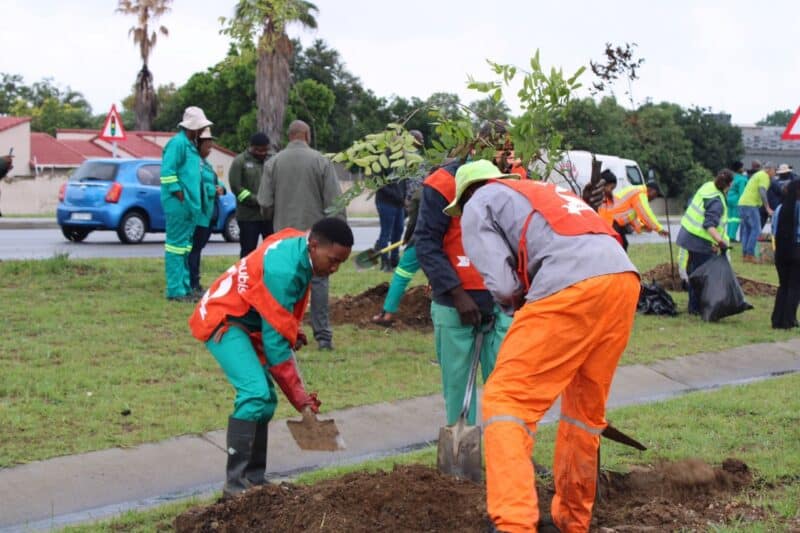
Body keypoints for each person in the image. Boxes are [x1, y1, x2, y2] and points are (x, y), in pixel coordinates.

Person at [445, 160, 639, 533]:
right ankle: (572, 520)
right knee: (583, 412)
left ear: (466, 194)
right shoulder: (541, 191)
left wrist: (514, 306)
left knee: (507, 400)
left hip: (569, 286)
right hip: (622, 281)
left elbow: (503, 286)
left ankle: (514, 524)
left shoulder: (478, 202)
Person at [188, 217, 353, 498]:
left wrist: (290, 329)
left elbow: (277, 306)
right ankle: (235, 485)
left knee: (266, 402)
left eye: (341, 263)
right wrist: (301, 401)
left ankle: (254, 479)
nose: (335, 268)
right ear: (314, 246)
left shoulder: (299, 246)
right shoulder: (284, 270)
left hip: (248, 317)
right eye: (333, 260)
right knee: (254, 394)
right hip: (224, 318)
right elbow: (276, 350)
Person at [414, 154, 512, 427]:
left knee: (507, 384)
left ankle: (506, 445)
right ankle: (462, 444)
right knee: (458, 388)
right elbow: (426, 242)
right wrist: (457, 293)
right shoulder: (442, 185)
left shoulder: (511, 181)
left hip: (501, 303)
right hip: (455, 305)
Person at [258, 120, 344, 350]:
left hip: (284, 236)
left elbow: (264, 203)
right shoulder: (321, 161)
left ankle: (284, 333)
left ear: (290, 136)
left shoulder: (273, 163)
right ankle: (323, 337)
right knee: (319, 282)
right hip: (316, 237)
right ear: (307, 135)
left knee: (284, 285)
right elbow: (335, 203)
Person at [160, 106, 212, 301]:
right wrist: (179, 194)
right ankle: (176, 291)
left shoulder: (190, 145)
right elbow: (167, 172)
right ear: (192, 127)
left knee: (184, 248)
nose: (202, 130)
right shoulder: (178, 143)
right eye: (200, 127)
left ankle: (185, 288)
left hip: (190, 206)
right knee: (176, 248)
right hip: (179, 204)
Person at [676, 169, 734, 314]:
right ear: (729, 185)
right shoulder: (717, 202)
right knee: (701, 275)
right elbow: (709, 225)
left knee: (695, 272)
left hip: (688, 235)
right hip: (699, 241)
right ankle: (697, 307)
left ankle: (694, 306)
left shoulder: (708, 186)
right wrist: (720, 242)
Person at [188, 127, 226, 295]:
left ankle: (195, 282)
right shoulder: (195, 164)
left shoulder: (206, 164)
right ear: (198, 144)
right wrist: (212, 190)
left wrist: (221, 188)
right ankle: (193, 283)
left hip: (209, 213)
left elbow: (217, 181)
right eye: (207, 145)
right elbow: (195, 185)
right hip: (199, 214)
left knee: (198, 249)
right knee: (194, 250)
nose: (210, 149)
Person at [229, 133, 273, 258]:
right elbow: (236, 188)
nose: (262, 153)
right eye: (259, 150)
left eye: (265, 150)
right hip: (248, 217)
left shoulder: (272, 160)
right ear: (251, 147)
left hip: (268, 216)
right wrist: (257, 200)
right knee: (248, 252)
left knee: (271, 251)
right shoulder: (240, 161)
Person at [598, 177, 668, 250]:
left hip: (612, 220)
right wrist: (659, 229)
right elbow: (645, 213)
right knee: (618, 246)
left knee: (623, 244)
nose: (654, 198)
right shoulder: (640, 193)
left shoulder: (636, 191)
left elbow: (632, 215)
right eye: (655, 194)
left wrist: (641, 227)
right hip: (611, 220)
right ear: (651, 190)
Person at [770, 180, 800, 329]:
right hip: (797, 250)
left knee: (783, 286)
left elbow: (773, 230)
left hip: (781, 251)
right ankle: (789, 319)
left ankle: (777, 319)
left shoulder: (780, 208)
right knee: (795, 287)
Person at [738, 162, 775, 262]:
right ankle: (750, 254)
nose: (774, 173)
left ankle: (745, 254)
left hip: (742, 203)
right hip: (751, 204)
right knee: (756, 229)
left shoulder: (757, 174)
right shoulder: (764, 176)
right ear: (769, 169)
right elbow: (762, 191)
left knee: (747, 230)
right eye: (774, 170)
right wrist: (767, 207)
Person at [726, 161, 749, 242]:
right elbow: (742, 192)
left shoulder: (733, 178)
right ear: (739, 168)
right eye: (742, 167)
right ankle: (732, 237)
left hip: (729, 199)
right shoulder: (742, 179)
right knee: (736, 219)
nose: (743, 168)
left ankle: (728, 235)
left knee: (730, 219)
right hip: (736, 201)